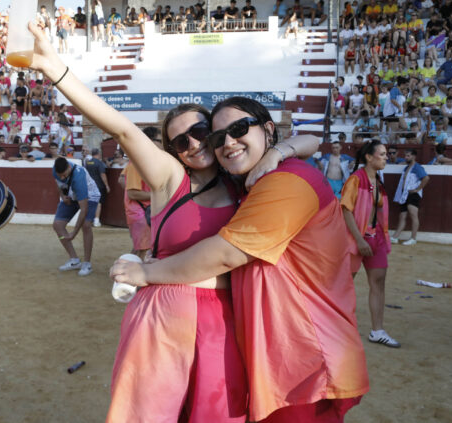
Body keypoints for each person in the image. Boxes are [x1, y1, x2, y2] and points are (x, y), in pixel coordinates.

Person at [26, 22, 320, 421]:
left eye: (202, 132)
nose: (194, 144)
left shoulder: (246, 180)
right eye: (181, 141)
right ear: (171, 151)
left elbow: (312, 142)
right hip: (165, 318)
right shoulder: (170, 177)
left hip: (227, 323)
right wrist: (56, 70)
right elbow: (124, 130)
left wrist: (278, 151)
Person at [110, 97, 369, 422]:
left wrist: (147, 272)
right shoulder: (245, 183)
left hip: (300, 352)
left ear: (268, 130)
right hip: (270, 347)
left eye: (204, 132)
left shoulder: (284, 180)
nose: (225, 142)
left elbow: (226, 256)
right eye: (218, 137)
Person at [341, 141, 400, 348]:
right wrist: (359, 239)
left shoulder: (377, 182)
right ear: (369, 157)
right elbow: (346, 210)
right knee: (344, 284)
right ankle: (337, 329)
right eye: (382, 154)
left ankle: (378, 331)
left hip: (376, 239)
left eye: (386, 154)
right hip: (356, 238)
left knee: (379, 282)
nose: (386, 157)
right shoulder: (356, 179)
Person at [52, 157, 100, 276]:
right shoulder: (56, 170)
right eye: (60, 175)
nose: (62, 178)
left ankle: (87, 264)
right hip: (71, 195)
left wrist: (74, 233)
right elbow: (57, 182)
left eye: (64, 175)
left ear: (69, 167)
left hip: (90, 196)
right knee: (58, 225)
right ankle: (74, 260)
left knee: (86, 225)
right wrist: (62, 196)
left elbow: (84, 209)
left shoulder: (79, 177)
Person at [390, 149, 430, 246]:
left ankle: (413, 238)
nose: (406, 157)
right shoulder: (406, 168)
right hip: (405, 194)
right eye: (405, 155)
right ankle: (395, 237)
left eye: (408, 156)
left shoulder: (417, 167)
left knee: (413, 215)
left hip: (413, 194)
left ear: (413, 156)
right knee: (402, 215)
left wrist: (417, 189)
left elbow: (426, 178)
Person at [84, 147, 110, 227]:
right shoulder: (99, 163)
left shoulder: (87, 162)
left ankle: (89, 220)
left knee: (90, 202)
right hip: (98, 185)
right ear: (99, 154)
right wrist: (106, 185)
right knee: (98, 203)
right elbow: (102, 174)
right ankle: (96, 220)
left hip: (88, 185)